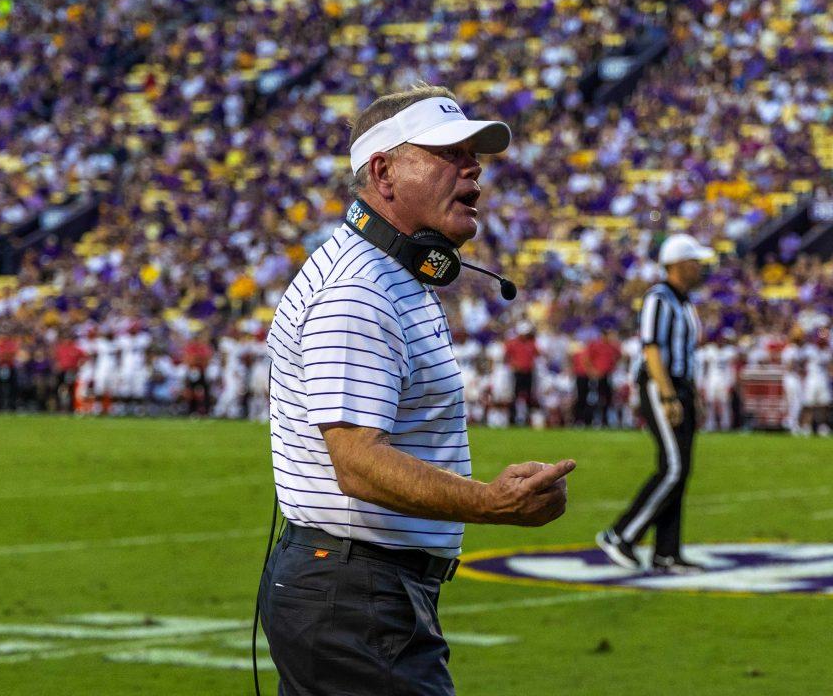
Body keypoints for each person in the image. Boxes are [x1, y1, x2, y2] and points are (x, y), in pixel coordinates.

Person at [258, 85, 575, 696]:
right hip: (354, 595)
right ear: (382, 172)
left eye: (473, 154)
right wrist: (489, 502)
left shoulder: (391, 274)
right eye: (447, 153)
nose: (472, 167)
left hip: (356, 591)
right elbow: (357, 463)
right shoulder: (360, 289)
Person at [596, 233, 712, 574]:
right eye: (695, 261)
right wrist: (667, 393)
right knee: (673, 468)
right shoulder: (659, 298)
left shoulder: (685, 302)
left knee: (680, 470)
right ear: (677, 264)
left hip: (680, 385)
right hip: (660, 384)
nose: (700, 267)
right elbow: (651, 348)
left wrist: (692, 394)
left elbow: (686, 354)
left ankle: (667, 552)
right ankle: (621, 535)